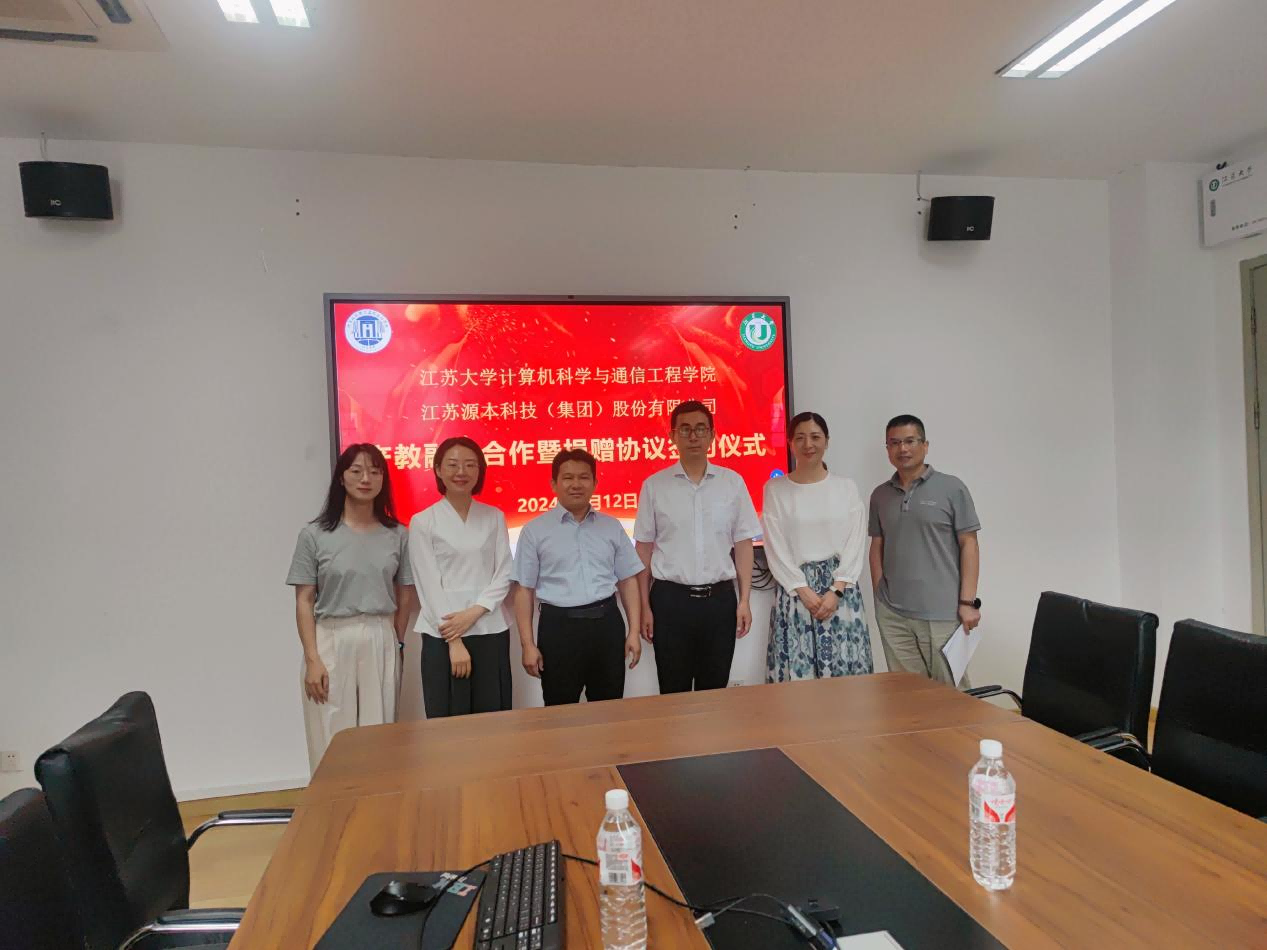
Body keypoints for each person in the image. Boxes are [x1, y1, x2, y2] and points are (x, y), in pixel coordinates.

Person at [287, 443, 416, 773]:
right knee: (331, 733)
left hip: (380, 635)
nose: (365, 479)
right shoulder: (315, 535)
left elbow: (404, 595)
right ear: (341, 478)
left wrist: (397, 641)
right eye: (356, 471)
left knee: (379, 733)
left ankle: (374, 802)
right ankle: (330, 802)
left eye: (374, 471)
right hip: (331, 637)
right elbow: (304, 600)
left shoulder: (397, 535)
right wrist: (312, 658)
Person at [634, 400, 761, 693]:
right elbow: (643, 550)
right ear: (672, 436)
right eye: (686, 429)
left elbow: (743, 545)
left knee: (714, 691)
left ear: (712, 435)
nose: (693, 436)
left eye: (701, 429)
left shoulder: (732, 483)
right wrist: (644, 607)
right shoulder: (654, 486)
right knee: (673, 690)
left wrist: (744, 601)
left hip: (719, 601)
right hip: (670, 602)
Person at [512, 449, 644, 705]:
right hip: (559, 629)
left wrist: (633, 632)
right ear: (554, 484)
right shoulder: (534, 531)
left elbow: (628, 580)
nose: (576, 484)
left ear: (594, 483)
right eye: (568, 478)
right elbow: (524, 590)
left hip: (606, 625)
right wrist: (527, 644)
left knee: (609, 708)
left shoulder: (611, 526)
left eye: (584, 477)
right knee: (560, 710)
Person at [868, 414, 981, 685]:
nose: (902, 449)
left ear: (925, 445)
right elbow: (877, 544)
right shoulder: (880, 495)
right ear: (887, 449)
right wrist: (879, 594)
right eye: (895, 443)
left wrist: (967, 603)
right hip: (894, 615)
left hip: (943, 612)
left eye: (910, 441)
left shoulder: (952, 488)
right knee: (908, 694)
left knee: (952, 693)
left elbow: (969, 544)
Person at [762, 412, 874, 681]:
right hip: (795, 594)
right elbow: (775, 546)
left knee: (847, 680)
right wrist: (803, 590)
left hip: (840, 593)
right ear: (790, 443)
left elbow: (856, 541)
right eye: (800, 438)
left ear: (827, 441)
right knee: (798, 683)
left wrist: (836, 590)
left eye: (815, 437)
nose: (808, 444)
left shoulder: (846, 487)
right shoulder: (775, 489)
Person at [409, 436, 513, 717]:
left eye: (470, 465)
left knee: (493, 718)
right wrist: (454, 640)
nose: (461, 472)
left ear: (480, 471)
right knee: (447, 720)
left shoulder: (494, 516)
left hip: (489, 628)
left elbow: (504, 571)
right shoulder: (423, 521)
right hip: (443, 635)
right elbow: (428, 584)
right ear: (438, 469)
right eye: (453, 464)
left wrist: (475, 612)